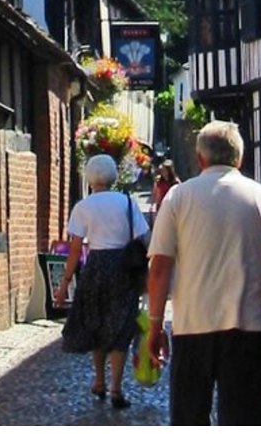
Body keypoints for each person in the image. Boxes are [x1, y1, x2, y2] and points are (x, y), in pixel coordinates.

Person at [144, 120, 261, 425]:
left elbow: (160, 267)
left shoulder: (178, 198)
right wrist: (260, 275)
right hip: (250, 328)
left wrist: (155, 326)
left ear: (200, 159)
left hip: (192, 330)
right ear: (239, 159)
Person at [55, 153, 151, 409]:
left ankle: (99, 381)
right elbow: (145, 239)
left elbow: (75, 250)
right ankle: (116, 389)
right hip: (124, 270)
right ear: (114, 175)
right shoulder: (128, 203)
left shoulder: (83, 207)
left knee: (97, 325)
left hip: (96, 268)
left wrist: (64, 284)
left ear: (89, 177)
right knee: (120, 329)